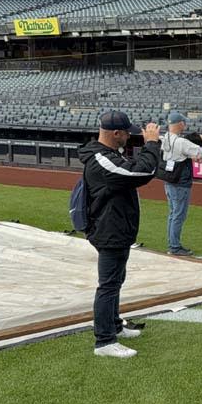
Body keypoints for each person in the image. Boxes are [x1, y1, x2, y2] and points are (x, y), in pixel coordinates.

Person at [78, 111, 161, 358]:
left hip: (116, 228)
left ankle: (114, 325)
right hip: (108, 230)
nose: (129, 137)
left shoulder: (109, 155)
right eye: (126, 133)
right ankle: (104, 341)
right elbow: (140, 173)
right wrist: (152, 145)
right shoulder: (101, 159)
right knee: (108, 286)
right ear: (116, 133)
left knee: (115, 282)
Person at [159, 111, 202, 256]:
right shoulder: (181, 142)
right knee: (178, 215)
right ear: (180, 123)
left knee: (173, 213)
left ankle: (172, 244)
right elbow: (201, 154)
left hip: (169, 180)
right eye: (183, 122)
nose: (185, 124)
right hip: (180, 182)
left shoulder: (165, 138)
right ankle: (174, 246)